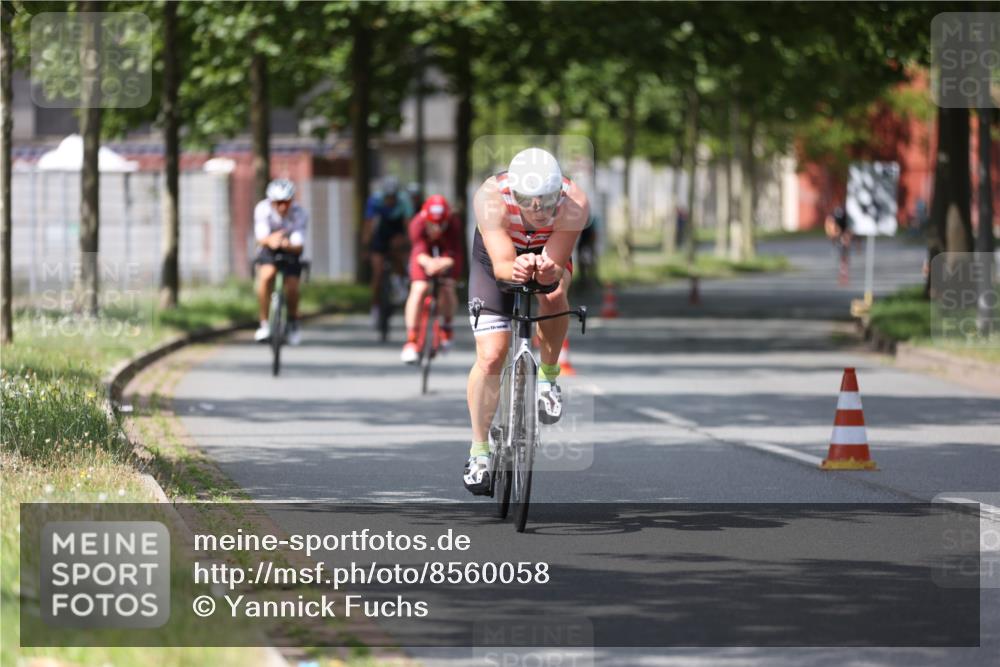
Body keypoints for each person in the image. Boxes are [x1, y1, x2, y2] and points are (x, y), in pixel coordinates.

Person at [462, 147, 588, 495]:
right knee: (491, 354)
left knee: (553, 294)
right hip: (496, 257)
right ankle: (479, 452)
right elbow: (503, 265)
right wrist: (515, 267)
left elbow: (557, 264)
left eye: (544, 201)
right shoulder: (491, 197)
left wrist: (547, 269)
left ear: (557, 193)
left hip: (549, 249)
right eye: (526, 200)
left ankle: (547, 380)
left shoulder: (574, 201)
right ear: (513, 193)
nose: (536, 208)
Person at [400, 195, 465, 363]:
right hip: (424, 255)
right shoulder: (417, 224)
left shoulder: (454, 224)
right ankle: (412, 339)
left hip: (446, 253)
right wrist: (428, 263)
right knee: (419, 288)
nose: (436, 229)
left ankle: (447, 327)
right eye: (432, 224)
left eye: (441, 224)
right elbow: (419, 251)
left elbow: (453, 252)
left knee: (448, 287)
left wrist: (444, 263)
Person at [253, 178, 306, 346]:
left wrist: (288, 244)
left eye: (287, 202)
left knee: (292, 287)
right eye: (278, 203)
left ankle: (293, 322)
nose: (283, 207)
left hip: (291, 249)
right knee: (266, 276)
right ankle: (264, 323)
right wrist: (271, 240)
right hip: (269, 248)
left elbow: (299, 245)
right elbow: (260, 238)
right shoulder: (262, 209)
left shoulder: (300, 213)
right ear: (272, 202)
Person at [365, 176, 414, 327]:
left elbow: (409, 226)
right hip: (380, 234)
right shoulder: (374, 201)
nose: (390, 201)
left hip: (397, 231)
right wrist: (366, 245)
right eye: (388, 197)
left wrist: (408, 242)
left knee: (397, 252)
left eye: (392, 197)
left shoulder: (404, 201)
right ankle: (375, 307)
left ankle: (399, 280)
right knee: (377, 272)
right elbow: (368, 224)